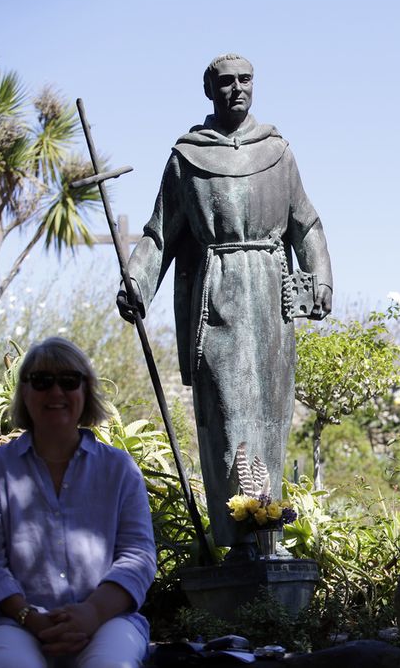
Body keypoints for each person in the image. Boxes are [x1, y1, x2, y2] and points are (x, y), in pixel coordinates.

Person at [117, 53, 333, 556]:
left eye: (245, 79)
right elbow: (158, 235)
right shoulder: (187, 157)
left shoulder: (277, 151)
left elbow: (307, 224)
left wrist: (320, 279)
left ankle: (269, 537)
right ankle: (240, 538)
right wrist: (136, 282)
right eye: (226, 81)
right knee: (228, 415)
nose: (237, 88)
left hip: (272, 299)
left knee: (272, 417)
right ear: (209, 90)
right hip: (216, 301)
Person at [0, 337, 157, 668]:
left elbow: (138, 557)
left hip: (107, 622)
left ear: (86, 391)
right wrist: (29, 617)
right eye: (42, 381)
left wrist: (93, 612)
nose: (56, 392)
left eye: (69, 381)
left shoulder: (120, 470)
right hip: (16, 624)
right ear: (25, 393)